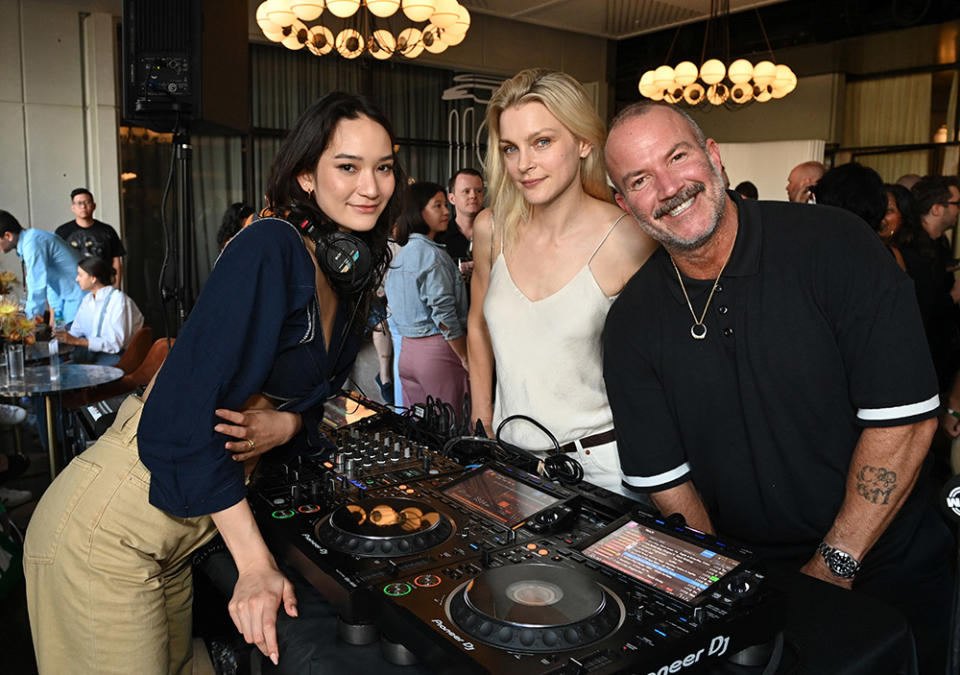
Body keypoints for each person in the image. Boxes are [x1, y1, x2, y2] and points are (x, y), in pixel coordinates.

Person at [23, 92, 403, 674]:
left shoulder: (335, 270)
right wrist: (254, 563)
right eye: (347, 166)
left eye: (383, 167)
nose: (371, 186)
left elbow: (308, 399)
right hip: (109, 535)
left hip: (175, 543)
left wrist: (292, 421)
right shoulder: (270, 245)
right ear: (306, 174)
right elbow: (181, 414)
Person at [603, 101, 952, 674]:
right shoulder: (630, 323)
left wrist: (833, 566)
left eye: (678, 156)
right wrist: (726, 592)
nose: (668, 187)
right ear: (624, 203)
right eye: (640, 179)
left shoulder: (835, 245)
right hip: (748, 572)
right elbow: (669, 485)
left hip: (884, 561)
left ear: (712, 156)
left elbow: (906, 422)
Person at [468, 68, 657, 494]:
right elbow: (477, 326)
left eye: (542, 142)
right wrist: (482, 422)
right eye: (510, 148)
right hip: (509, 457)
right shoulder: (492, 229)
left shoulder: (629, 238)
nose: (524, 165)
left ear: (584, 141)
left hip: (600, 467)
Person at [385, 181, 469, 411]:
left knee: (421, 428)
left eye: (445, 205)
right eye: (438, 205)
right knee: (451, 427)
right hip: (437, 354)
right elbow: (444, 314)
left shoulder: (401, 256)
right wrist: (464, 355)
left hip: (407, 352)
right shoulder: (432, 256)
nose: (446, 212)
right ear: (418, 212)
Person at [902, 175, 960, 394]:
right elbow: (922, 308)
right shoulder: (911, 250)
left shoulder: (940, 244)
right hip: (921, 364)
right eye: (956, 204)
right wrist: (954, 295)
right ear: (937, 209)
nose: (958, 211)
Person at [55, 256, 145, 365]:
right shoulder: (87, 300)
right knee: (59, 370)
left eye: (80, 275)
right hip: (92, 355)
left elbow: (115, 344)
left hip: (118, 358)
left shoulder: (118, 300)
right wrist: (62, 335)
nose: (76, 279)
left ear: (93, 278)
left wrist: (77, 341)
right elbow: (76, 331)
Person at [0, 211, 83, 324]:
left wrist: (28, 323)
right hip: (68, 302)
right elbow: (49, 282)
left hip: (79, 300)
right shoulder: (32, 238)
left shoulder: (32, 243)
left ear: (8, 236)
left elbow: (37, 285)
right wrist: (57, 319)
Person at [56, 188, 126, 289]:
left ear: (94, 206)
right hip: (73, 287)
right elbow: (56, 262)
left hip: (102, 286)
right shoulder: (62, 232)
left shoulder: (107, 230)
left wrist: (116, 288)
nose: (83, 206)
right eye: (79, 203)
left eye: (87, 202)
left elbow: (116, 261)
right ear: (73, 208)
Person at [437, 168, 484, 263]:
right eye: (466, 191)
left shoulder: (498, 232)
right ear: (452, 199)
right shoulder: (440, 237)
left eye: (478, 191)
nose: (473, 196)